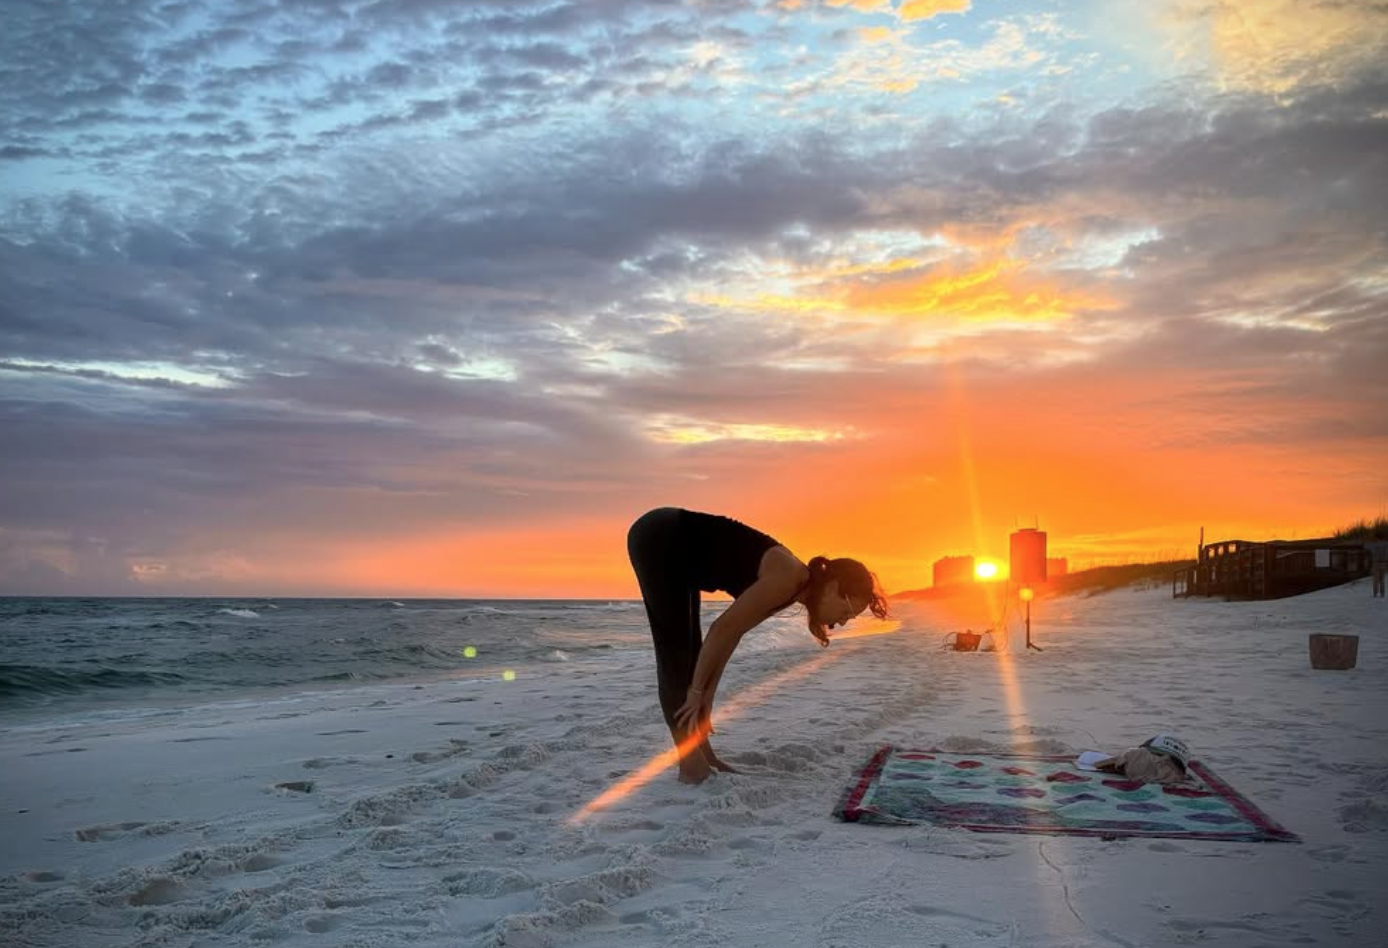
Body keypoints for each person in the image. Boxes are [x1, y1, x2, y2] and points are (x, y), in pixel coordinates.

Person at [626, 506, 888, 784]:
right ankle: (691, 767)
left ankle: (704, 754)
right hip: (661, 537)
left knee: (693, 660)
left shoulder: (794, 589)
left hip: (681, 550)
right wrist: (695, 691)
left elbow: (732, 634)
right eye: (847, 611)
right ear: (835, 587)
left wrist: (706, 695)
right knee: (677, 655)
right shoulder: (788, 578)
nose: (843, 622)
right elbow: (721, 629)